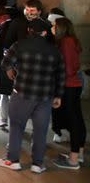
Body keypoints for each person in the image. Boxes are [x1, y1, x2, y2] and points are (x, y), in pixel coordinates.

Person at [0, 18, 65, 174]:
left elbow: (5, 63)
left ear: (29, 31)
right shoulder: (54, 50)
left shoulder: (19, 46)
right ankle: (37, 164)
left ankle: (13, 161)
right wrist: (58, 96)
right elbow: (61, 75)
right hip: (45, 96)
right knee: (40, 131)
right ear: (45, 32)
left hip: (22, 93)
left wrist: (11, 71)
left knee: (17, 127)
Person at [51, 17, 85, 170]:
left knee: (74, 121)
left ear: (61, 28)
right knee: (76, 120)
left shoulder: (66, 42)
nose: (52, 28)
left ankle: (73, 160)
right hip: (72, 85)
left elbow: (69, 68)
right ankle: (79, 154)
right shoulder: (70, 40)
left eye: (54, 26)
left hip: (69, 86)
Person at [0, 15, 14, 130]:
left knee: (4, 96)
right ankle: (15, 120)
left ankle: (3, 120)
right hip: (14, 70)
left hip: (0, 69)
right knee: (14, 97)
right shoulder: (16, 41)